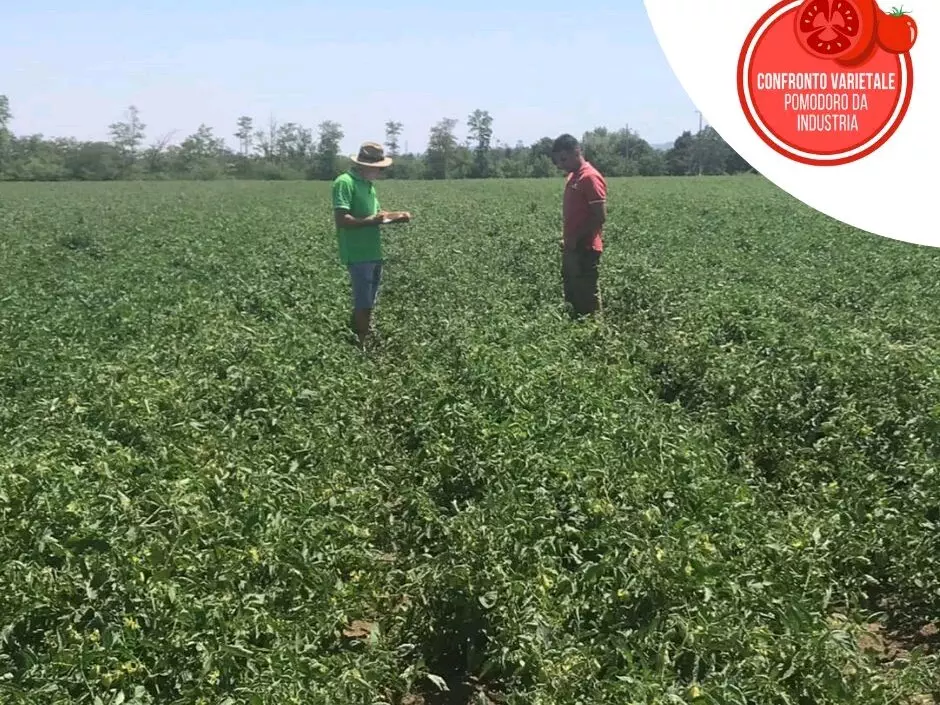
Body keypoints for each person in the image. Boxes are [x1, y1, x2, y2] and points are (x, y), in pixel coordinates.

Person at [332, 141, 411, 348]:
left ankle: (363, 334)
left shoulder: (367, 185)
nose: (380, 172)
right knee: (363, 301)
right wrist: (373, 221)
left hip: (373, 251)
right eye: (377, 168)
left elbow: (377, 215)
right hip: (357, 253)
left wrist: (397, 216)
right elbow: (342, 220)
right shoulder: (345, 182)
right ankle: (361, 345)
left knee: (369, 301)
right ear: (364, 165)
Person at [551, 133, 607, 319]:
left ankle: (594, 337)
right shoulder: (574, 177)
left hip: (586, 248)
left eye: (564, 159)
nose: (561, 165)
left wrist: (576, 238)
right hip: (572, 247)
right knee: (572, 296)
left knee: (587, 299)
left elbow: (599, 216)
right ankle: (577, 333)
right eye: (558, 161)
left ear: (577, 152)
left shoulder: (589, 177)